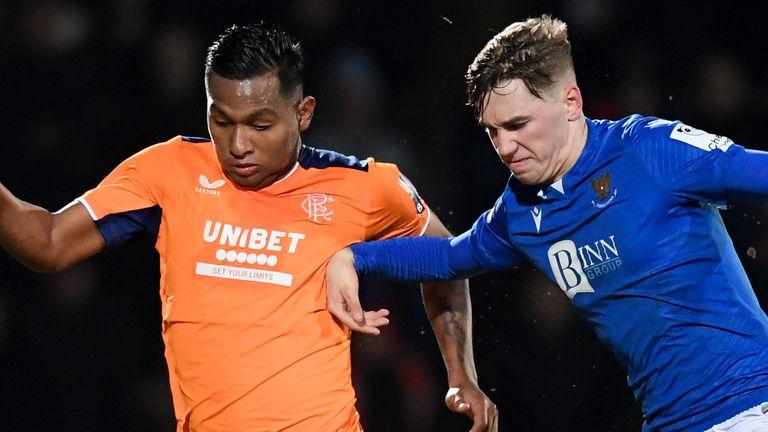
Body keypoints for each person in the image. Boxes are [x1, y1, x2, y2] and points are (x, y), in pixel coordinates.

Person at [0, 23, 498, 431]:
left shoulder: (366, 186)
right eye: (223, 121)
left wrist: (461, 374)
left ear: (303, 114)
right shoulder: (169, 170)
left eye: (260, 125)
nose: (238, 144)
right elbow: (44, 242)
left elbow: (448, 261)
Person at [326, 15, 768, 432]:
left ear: (571, 102)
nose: (505, 147)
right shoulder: (519, 211)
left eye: (518, 124)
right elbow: (448, 256)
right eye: (492, 130)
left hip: (751, 406)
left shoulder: (651, 150)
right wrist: (353, 257)